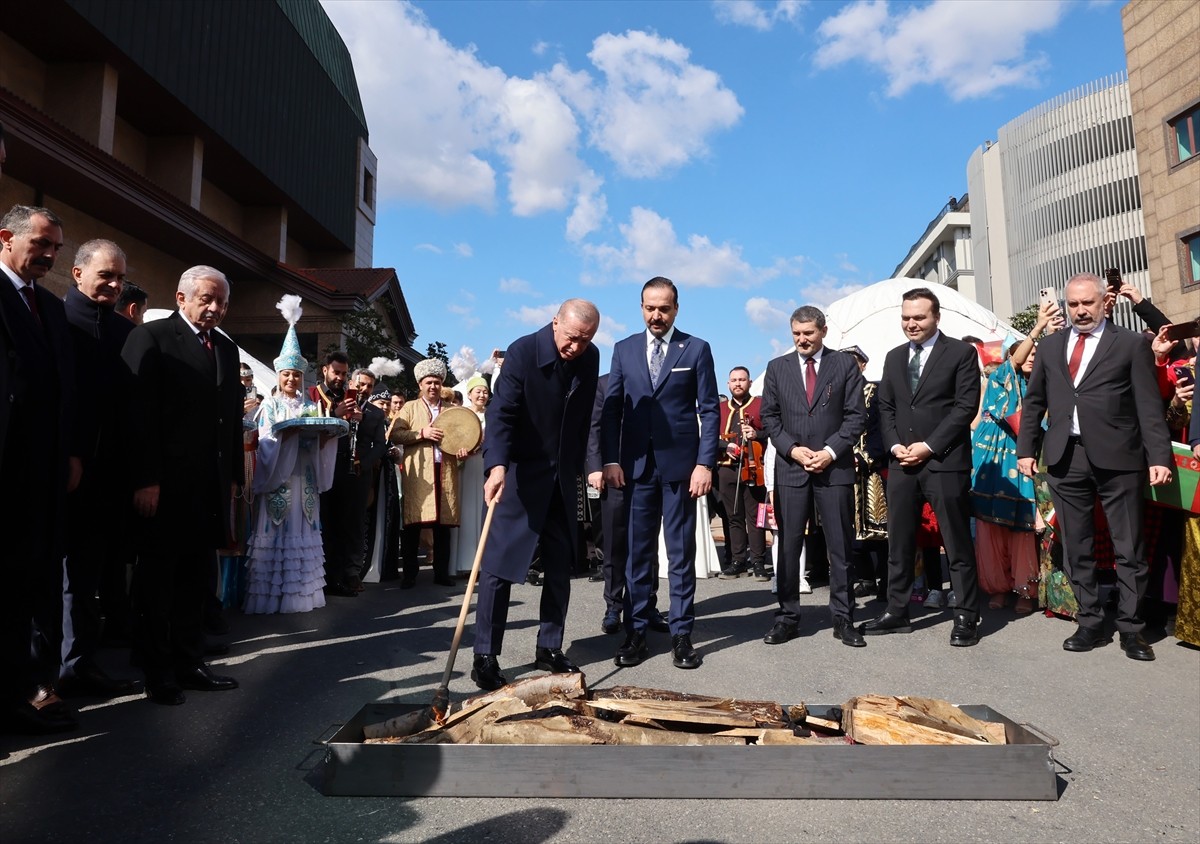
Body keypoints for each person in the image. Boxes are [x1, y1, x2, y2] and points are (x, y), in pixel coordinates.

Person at [1017, 273, 1173, 661]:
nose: (1080, 311)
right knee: (1076, 545)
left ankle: (1132, 629)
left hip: (1120, 457)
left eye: (1087, 303)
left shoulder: (1131, 344)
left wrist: (1159, 457)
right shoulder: (1052, 347)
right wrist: (1026, 450)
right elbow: (1034, 403)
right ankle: (1089, 621)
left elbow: (1148, 407)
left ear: (1104, 302)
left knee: (1129, 546)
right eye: (1073, 304)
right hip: (1065, 457)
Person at [122, 265, 243, 705]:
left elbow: (229, 421)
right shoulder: (150, 339)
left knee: (197, 579)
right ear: (181, 298)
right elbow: (138, 418)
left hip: (208, 488)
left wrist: (233, 478)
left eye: (222, 302)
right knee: (158, 582)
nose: (215, 308)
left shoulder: (226, 350)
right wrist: (145, 479)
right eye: (207, 299)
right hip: (164, 487)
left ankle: (190, 661)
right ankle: (157, 669)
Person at [470, 300, 600, 689]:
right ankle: (485, 655)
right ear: (555, 322)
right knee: (498, 567)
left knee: (560, 567)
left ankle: (549, 646)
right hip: (519, 473)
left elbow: (584, 418)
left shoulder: (589, 357)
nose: (576, 347)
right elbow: (502, 413)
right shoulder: (523, 352)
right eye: (571, 338)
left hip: (562, 476)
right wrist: (496, 465)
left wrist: (585, 466)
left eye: (585, 340)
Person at [602, 277, 720, 670]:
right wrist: (611, 459)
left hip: (682, 471)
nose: (657, 315)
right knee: (637, 552)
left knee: (681, 554)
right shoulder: (623, 350)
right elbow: (613, 409)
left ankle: (682, 634)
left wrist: (705, 463)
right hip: (635, 469)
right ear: (641, 308)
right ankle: (636, 630)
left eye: (664, 308)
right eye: (650, 308)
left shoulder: (697, 349)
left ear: (676, 309)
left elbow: (709, 409)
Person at [864, 287, 983, 646]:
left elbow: (965, 407)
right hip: (902, 462)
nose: (911, 324)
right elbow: (885, 407)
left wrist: (929, 447)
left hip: (944, 461)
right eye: (906, 317)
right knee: (898, 540)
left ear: (936, 317)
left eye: (919, 317)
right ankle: (897, 611)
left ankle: (965, 615)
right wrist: (896, 445)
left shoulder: (961, 353)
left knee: (956, 541)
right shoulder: (894, 357)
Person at [0, 205, 79, 734]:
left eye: (55, 247)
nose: (49, 256)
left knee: (35, 583)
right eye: (41, 245)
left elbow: (64, 390)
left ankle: (32, 684)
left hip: (45, 473)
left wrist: (71, 452)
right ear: (6, 237)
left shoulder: (50, 309)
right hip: (4, 467)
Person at [58, 239, 140, 698]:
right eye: (105, 275)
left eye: (119, 278)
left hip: (108, 477)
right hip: (60, 469)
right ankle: (46, 670)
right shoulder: (55, 320)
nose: (113, 284)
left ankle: (79, 663)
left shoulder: (125, 333)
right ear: (77, 274)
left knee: (89, 578)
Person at [760, 306, 867, 648]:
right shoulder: (777, 368)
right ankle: (787, 617)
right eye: (796, 334)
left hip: (833, 468)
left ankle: (843, 617)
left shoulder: (844, 365)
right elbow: (770, 418)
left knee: (840, 546)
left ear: (823, 331)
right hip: (791, 468)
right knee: (789, 546)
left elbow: (856, 417)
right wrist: (792, 449)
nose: (802, 340)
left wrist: (830, 451)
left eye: (808, 333)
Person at [243, 296, 340, 614]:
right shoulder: (269, 406)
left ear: (301, 377)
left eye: (296, 375)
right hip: (279, 478)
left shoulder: (312, 406)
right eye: (286, 374)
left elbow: (315, 441)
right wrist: (288, 436)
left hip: (304, 477)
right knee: (278, 529)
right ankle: (272, 597)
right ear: (279, 374)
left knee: (303, 528)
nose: (291, 379)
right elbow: (267, 442)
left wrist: (324, 438)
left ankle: (301, 594)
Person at [971, 301, 1062, 614]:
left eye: (1035, 354)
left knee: (1023, 526)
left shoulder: (1045, 385)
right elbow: (1016, 362)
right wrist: (1036, 330)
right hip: (992, 462)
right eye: (1025, 352)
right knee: (990, 528)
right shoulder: (1001, 381)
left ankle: (1025, 588)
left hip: (1025, 461)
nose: (1030, 357)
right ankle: (996, 587)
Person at [586, 373, 670, 636]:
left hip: (649, 475)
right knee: (613, 543)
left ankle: (648, 605)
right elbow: (594, 428)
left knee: (648, 545)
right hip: (613, 475)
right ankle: (614, 606)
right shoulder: (602, 383)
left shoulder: (652, 382)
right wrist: (595, 467)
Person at [308, 354, 385, 596]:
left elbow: (380, 446)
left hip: (359, 473)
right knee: (330, 523)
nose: (363, 389)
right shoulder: (335, 401)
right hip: (332, 468)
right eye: (359, 384)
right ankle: (329, 576)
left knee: (353, 525)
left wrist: (365, 461)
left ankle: (349, 574)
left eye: (369, 386)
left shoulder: (375, 412)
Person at [389, 358, 468, 588]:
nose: (433, 386)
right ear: (420, 385)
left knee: (443, 525)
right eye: (428, 382)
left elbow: (464, 437)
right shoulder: (409, 408)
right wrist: (421, 433)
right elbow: (395, 434)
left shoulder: (452, 410)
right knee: (414, 523)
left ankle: (441, 573)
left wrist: (463, 450)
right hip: (418, 472)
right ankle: (410, 574)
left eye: (436, 382)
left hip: (445, 469)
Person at [715, 366, 771, 581]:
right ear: (728, 384)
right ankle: (738, 560)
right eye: (734, 380)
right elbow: (708, 434)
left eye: (742, 379)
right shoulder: (719, 408)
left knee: (755, 516)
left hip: (754, 467)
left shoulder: (760, 404)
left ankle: (758, 561)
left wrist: (757, 433)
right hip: (727, 468)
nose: (738, 383)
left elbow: (773, 429)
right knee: (733, 516)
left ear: (749, 382)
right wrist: (724, 445)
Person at [449, 375, 489, 575]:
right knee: (466, 511)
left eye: (485, 391)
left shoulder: (493, 416)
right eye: (478, 391)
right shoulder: (461, 414)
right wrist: (461, 452)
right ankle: (464, 562)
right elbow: (453, 440)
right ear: (470, 394)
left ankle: (484, 562)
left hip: (486, 466)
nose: (482, 395)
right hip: (466, 467)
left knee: (485, 511)